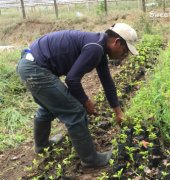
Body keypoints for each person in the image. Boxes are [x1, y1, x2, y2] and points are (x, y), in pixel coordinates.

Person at [16, 23, 138, 168]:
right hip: (35, 69)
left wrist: (118, 112)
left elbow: (107, 81)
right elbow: (72, 79)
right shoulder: (95, 48)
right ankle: (91, 160)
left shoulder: (98, 47)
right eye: (125, 50)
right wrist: (86, 102)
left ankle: (42, 146)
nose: (124, 56)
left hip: (29, 64)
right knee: (75, 111)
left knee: (48, 107)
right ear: (117, 42)